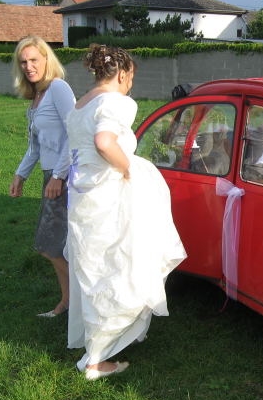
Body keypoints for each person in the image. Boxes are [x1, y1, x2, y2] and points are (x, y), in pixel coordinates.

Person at [65, 44, 186, 381]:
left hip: (83, 197)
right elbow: (105, 142)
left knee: (96, 269)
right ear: (121, 74)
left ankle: (97, 345)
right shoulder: (117, 102)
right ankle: (96, 360)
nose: (131, 84)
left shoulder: (79, 105)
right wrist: (128, 168)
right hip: (110, 197)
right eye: (131, 78)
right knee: (120, 267)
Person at [9, 36, 75, 318]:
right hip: (51, 176)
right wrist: (20, 174)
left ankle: (80, 300)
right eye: (23, 62)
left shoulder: (58, 88)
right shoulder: (36, 97)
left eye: (34, 59)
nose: (28, 66)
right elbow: (35, 146)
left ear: (47, 60)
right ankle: (69, 302)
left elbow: (75, 133)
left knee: (49, 245)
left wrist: (58, 176)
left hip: (65, 176)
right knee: (55, 245)